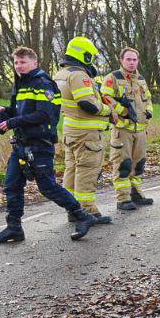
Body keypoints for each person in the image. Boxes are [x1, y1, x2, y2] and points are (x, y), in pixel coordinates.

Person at [0, 47, 104, 243]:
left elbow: (44, 114)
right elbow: (21, 111)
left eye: (23, 62)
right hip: (21, 144)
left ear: (34, 63)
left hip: (39, 144)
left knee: (48, 187)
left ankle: (82, 215)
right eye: (16, 62)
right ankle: (14, 228)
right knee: (12, 185)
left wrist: (13, 122)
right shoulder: (21, 83)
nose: (19, 66)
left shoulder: (43, 83)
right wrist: (5, 111)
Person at [52, 37, 113, 223]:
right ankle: (88, 211)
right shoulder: (79, 75)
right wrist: (107, 110)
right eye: (91, 57)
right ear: (85, 56)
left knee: (72, 170)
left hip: (71, 131)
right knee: (87, 170)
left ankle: (73, 210)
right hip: (87, 134)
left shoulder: (60, 74)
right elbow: (87, 104)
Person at [100, 47, 154, 210]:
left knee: (138, 164)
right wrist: (123, 111)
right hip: (122, 130)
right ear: (121, 60)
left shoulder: (141, 79)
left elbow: (148, 98)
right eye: (128, 59)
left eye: (134, 60)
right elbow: (104, 97)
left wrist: (149, 111)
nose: (131, 63)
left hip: (140, 130)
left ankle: (135, 194)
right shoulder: (113, 78)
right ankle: (123, 199)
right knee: (123, 165)